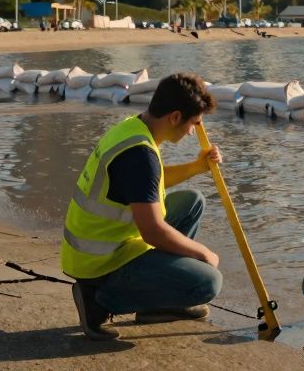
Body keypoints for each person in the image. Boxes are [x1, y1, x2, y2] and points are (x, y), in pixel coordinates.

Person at [61, 73, 223, 341]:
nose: (193, 131)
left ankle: (157, 304)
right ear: (174, 117)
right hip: (99, 261)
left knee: (192, 202)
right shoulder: (139, 154)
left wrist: (197, 167)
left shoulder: (135, 127)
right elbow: (153, 232)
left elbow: (146, 185)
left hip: (111, 240)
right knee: (208, 282)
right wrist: (204, 253)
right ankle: (98, 300)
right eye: (193, 123)